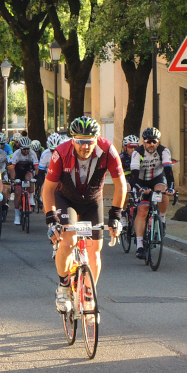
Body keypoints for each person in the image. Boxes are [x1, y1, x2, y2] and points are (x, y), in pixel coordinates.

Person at [43, 116, 126, 313]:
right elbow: (47, 189)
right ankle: (63, 286)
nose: (85, 147)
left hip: (92, 200)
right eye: (80, 141)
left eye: (89, 142)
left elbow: (121, 184)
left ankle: (89, 293)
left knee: (95, 249)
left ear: (97, 139)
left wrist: (115, 216)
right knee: (67, 241)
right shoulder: (61, 153)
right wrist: (51, 219)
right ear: (73, 140)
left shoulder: (108, 150)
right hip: (66, 199)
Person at [129, 127, 176, 260]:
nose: (151, 144)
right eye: (149, 142)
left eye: (154, 142)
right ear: (144, 142)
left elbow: (168, 171)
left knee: (163, 192)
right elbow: (133, 176)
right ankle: (139, 246)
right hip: (140, 180)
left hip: (157, 179)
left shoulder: (163, 151)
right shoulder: (137, 153)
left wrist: (171, 187)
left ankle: (161, 218)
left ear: (158, 142)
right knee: (142, 210)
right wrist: (139, 188)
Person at [10, 137, 39, 224]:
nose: (26, 151)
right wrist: (13, 180)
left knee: (30, 178)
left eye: (28, 149)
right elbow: (12, 168)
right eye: (24, 149)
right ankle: (17, 216)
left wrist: (36, 178)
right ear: (20, 148)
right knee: (18, 192)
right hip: (17, 172)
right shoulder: (16, 154)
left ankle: (30, 197)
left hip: (27, 171)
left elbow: (36, 167)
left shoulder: (32, 153)